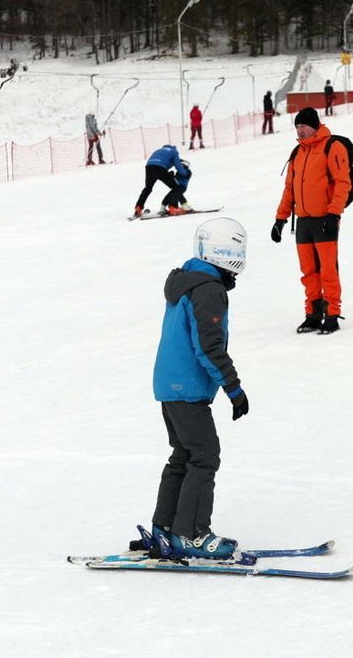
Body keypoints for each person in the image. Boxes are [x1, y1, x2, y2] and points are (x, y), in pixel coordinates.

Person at [147, 217, 250, 561]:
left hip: (169, 384)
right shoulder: (208, 289)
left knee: (184, 456)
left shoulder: (187, 281)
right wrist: (233, 388)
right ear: (227, 252)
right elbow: (208, 346)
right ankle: (189, 534)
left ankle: (165, 528)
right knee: (204, 456)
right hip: (186, 387)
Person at [270, 107, 352, 335]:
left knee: (327, 270)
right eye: (297, 127)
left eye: (303, 126)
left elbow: (343, 182)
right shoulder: (297, 153)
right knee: (308, 272)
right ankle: (313, 315)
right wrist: (280, 219)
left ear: (314, 125)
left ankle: (332, 314)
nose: (300, 130)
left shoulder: (332, 147)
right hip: (304, 222)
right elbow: (290, 189)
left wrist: (334, 213)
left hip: (325, 219)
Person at [134, 144, 192, 218]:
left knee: (147, 188)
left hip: (149, 168)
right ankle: (174, 207)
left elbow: (161, 162)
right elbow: (179, 168)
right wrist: (185, 173)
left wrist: (167, 174)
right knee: (176, 187)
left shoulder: (158, 150)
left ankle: (138, 208)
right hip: (160, 168)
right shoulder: (174, 151)